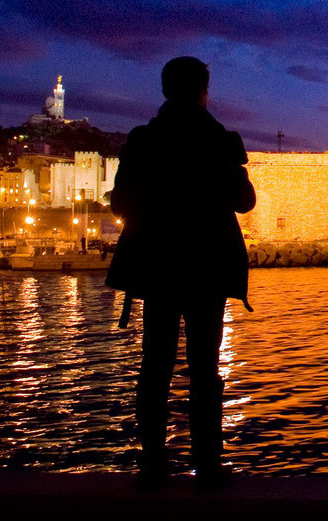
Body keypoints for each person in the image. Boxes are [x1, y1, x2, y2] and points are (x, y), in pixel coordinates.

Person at [107, 56, 256, 490]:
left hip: (156, 265)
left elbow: (120, 204)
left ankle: (152, 460)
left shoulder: (142, 141)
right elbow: (243, 201)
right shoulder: (220, 140)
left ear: (165, 90)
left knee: (155, 365)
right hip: (206, 266)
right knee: (205, 368)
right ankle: (207, 464)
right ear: (203, 91)